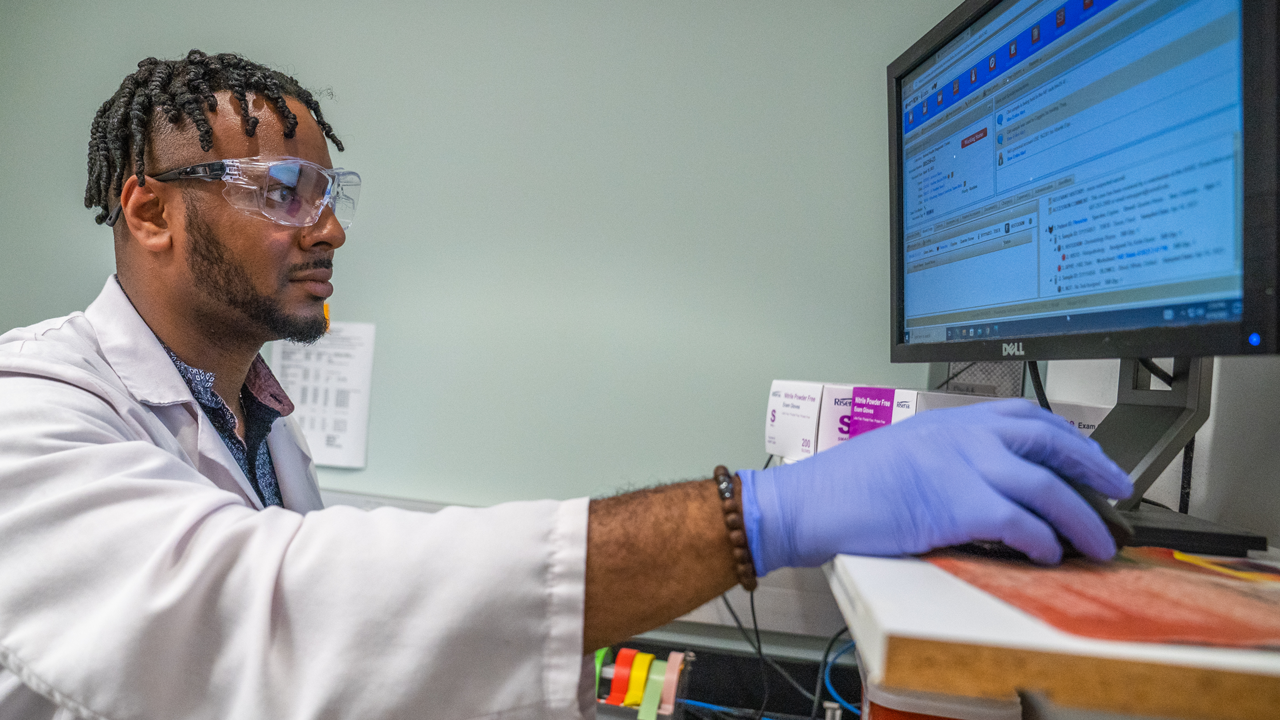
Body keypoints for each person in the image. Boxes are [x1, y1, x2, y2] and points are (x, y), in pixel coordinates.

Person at [0, 51, 1131, 720]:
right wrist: (761, 515)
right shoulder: (33, 406)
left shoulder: (251, 422)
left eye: (330, 187)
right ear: (149, 210)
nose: (332, 224)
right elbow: (263, 614)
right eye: (286, 190)